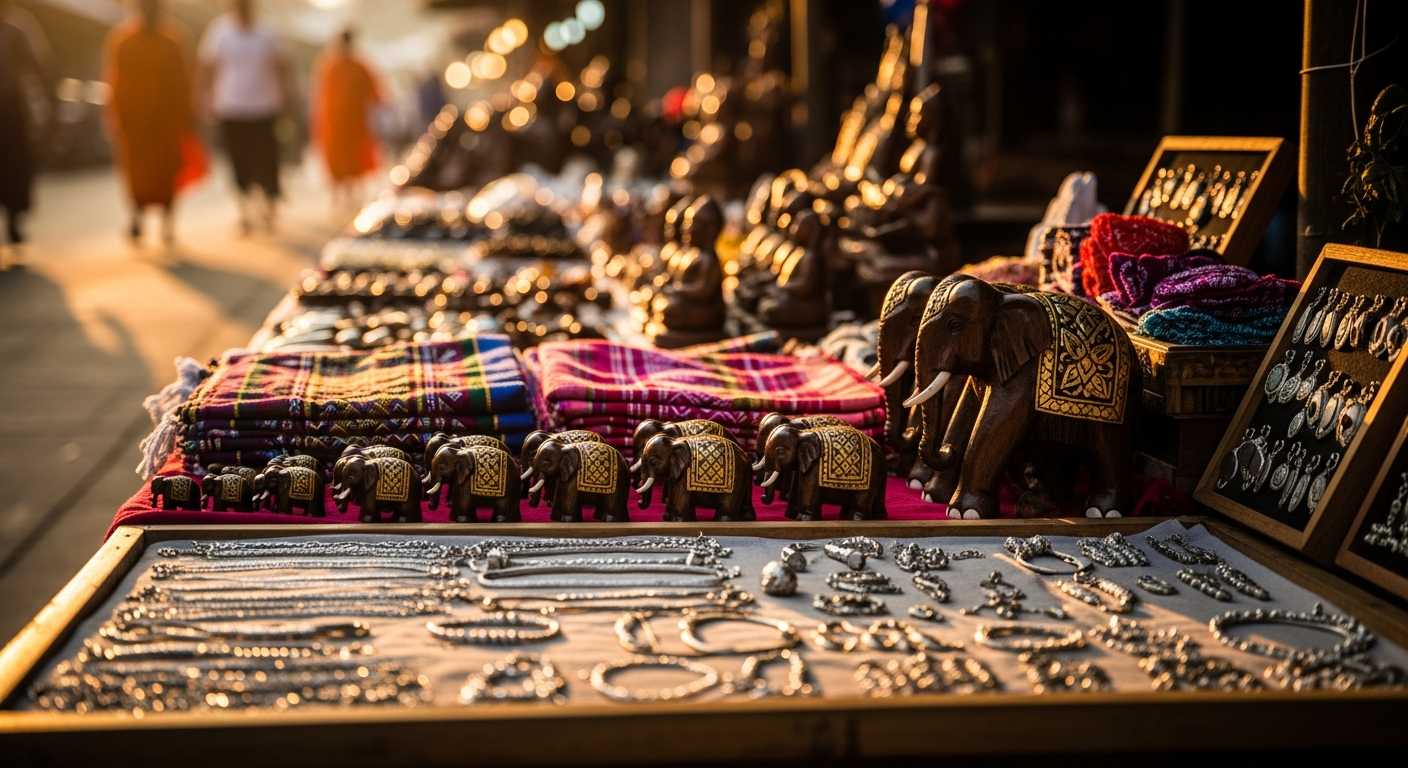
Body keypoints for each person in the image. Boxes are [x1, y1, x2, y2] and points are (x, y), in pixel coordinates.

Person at [103, 0, 206, 245]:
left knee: (167, 172)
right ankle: (137, 218)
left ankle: (167, 225)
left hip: (166, 121)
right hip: (135, 121)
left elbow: (184, 81)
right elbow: (115, 80)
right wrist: (116, 115)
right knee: (136, 174)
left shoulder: (172, 40)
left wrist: (188, 115)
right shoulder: (123, 40)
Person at [197, 0, 290, 234]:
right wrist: (204, 100)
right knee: (239, 162)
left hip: (264, 108)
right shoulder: (219, 32)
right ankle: (245, 213)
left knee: (266, 160)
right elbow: (208, 68)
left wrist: (287, 99)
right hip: (231, 108)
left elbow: (282, 67)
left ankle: (269, 205)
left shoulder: (267, 33)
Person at [311, 28, 381, 210]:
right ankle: (339, 197)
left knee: (354, 159)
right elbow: (322, 97)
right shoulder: (330, 65)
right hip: (335, 121)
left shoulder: (357, 65)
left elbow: (374, 93)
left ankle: (352, 197)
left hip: (353, 121)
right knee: (336, 160)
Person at [0, 0, 51, 250]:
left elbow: (38, 64)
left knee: (14, 165)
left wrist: (49, 98)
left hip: (10, 108)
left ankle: (14, 222)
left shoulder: (18, 26)